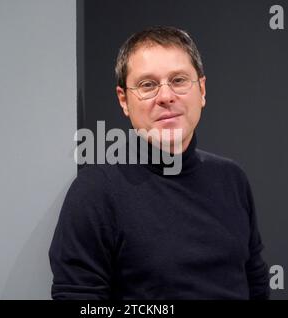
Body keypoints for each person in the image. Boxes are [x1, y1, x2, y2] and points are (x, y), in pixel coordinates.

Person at [49, 26, 270, 300]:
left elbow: (256, 284)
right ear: (124, 100)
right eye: (147, 85)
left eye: (178, 80)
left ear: (201, 90)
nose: (165, 96)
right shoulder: (95, 192)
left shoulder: (232, 179)